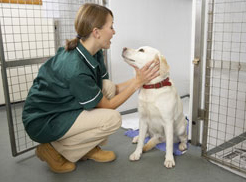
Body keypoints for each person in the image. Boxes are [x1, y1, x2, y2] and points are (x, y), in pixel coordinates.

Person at [22, 3, 159, 173]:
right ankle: (52, 150)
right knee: (112, 118)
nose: (114, 31)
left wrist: (139, 78)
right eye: (111, 26)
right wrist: (138, 83)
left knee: (107, 87)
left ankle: (87, 147)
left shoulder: (93, 51)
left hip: (61, 107)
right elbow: (108, 106)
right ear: (96, 32)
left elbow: (112, 90)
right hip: (43, 120)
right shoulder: (75, 67)